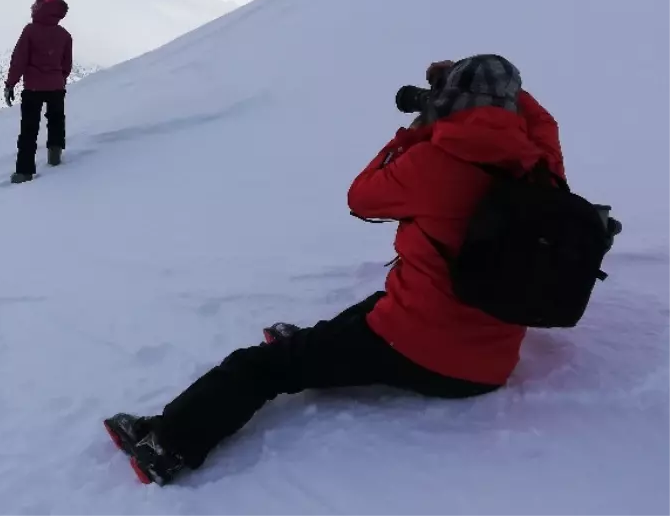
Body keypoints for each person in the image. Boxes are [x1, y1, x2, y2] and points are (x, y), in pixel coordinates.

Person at [103, 54, 576, 486]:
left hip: (424, 354)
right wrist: (496, 91)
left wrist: (419, 127)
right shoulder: (540, 163)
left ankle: (168, 443)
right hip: (492, 359)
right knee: (384, 301)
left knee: (261, 368)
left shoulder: (434, 159)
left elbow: (362, 196)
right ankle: (313, 343)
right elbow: (542, 120)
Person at [5, 0, 72, 184]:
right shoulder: (64, 35)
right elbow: (66, 65)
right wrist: (58, 79)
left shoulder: (30, 31)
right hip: (56, 87)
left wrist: (10, 84)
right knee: (56, 120)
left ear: (40, 4)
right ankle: (55, 156)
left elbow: (19, 60)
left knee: (29, 129)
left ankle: (24, 172)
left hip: (33, 88)